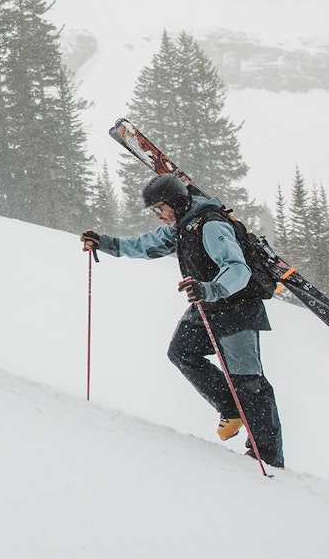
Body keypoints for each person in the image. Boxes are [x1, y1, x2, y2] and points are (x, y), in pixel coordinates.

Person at [80, 173, 284, 469]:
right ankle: (230, 407)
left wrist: (209, 288)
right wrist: (105, 243)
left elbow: (238, 270)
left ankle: (267, 456)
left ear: (175, 201)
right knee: (182, 351)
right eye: (154, 210)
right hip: (207, 306)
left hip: (237, 308)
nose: (158, 215)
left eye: (160, 208)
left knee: (248, 382)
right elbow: (145, 245)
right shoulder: (181, 225)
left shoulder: (210, 224)